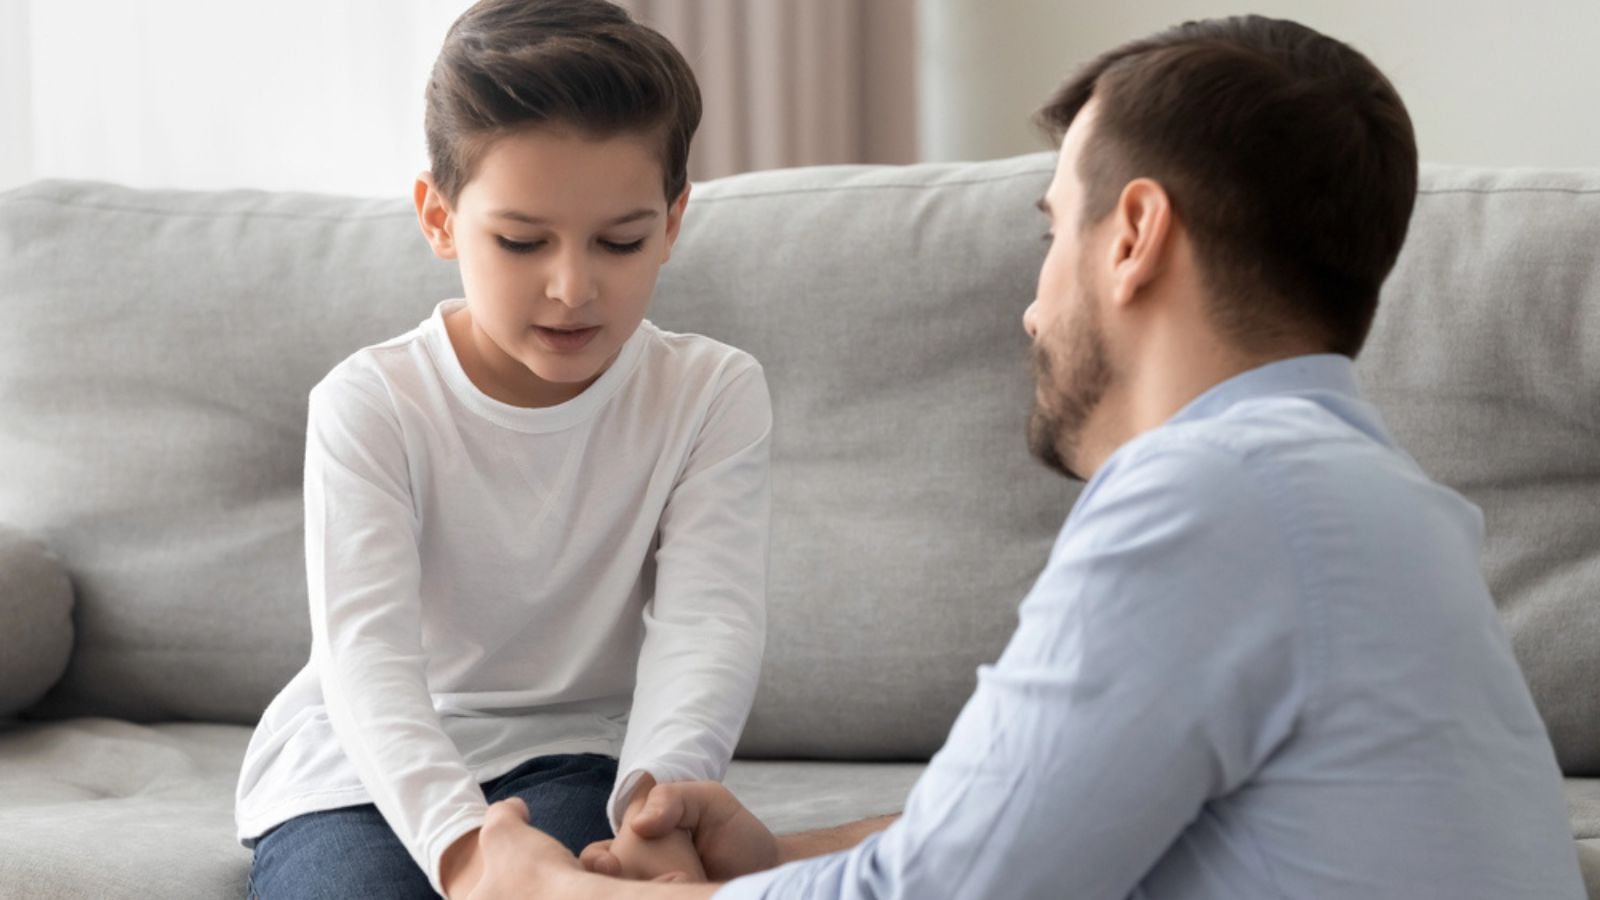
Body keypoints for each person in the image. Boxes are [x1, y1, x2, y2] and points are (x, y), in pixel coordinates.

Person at [454, 14, 1588, 900]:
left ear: (1134, 237)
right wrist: (770, 856)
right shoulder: (1378, 501)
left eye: (1055, 234)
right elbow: (1053, 819)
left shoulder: (1212, 496)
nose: (1033, 309)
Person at [233, 1, 772, 897]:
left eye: (621, 240)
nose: (572, 287)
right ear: (439, 218)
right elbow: (367, 662)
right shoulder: (370, 404)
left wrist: (659, 803)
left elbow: (706, 628)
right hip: (361, 772)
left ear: (673, 223)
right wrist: (465, 847)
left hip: (570, 756)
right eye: (522, 242)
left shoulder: (712, 394)